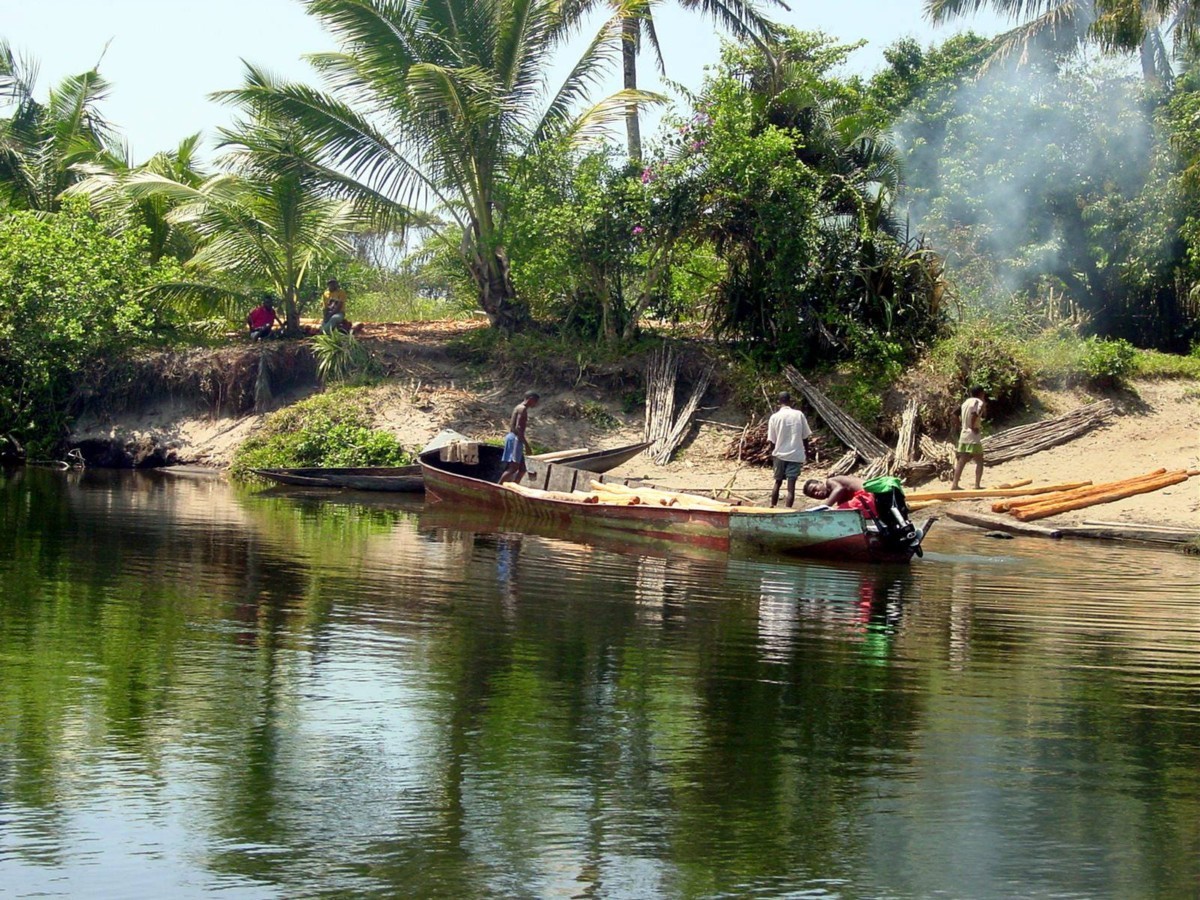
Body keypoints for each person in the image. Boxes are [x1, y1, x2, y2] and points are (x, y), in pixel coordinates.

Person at [766, 391, 813, 508]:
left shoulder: (774, 417)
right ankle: (787, 510)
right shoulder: (799, 415)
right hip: (795, 455)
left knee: (777, 482)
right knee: (791, 487)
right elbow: (805, 437)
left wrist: (773, 454)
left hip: (780, 455)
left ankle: (772, 507)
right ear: (790, 401)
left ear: (779, 402)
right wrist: (806, 453)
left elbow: (772, 440)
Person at [498, 391, 540, 485]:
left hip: (514, 438)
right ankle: (498, 486)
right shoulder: (522, 409)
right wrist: (527, 445)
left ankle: (515, 486)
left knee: (522, 469)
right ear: (531, 399)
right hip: (515, 439)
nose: (536, 404)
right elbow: (518, 428)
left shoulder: (519, 407)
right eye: (535, 402)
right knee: (513, 468)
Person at [951, 385, 987, 490]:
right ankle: (977, 485)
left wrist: (960, 426)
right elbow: (975, 414)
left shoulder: (965, 403)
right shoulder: (978, 402)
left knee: (962, 460)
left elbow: (954, 413)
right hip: (973, 435)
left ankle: (955, 484)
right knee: (979, 460)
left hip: (964, 434)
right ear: (981, 393)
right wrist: (972, 426)